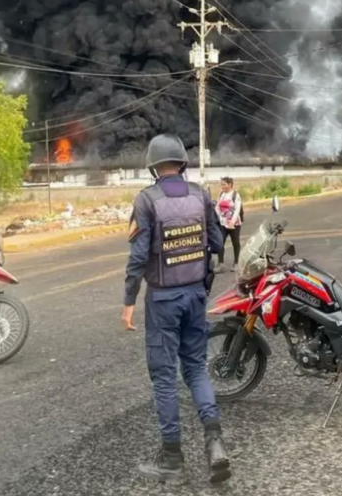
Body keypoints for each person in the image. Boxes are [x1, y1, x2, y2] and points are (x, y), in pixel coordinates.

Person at [122, 134, 230, 485]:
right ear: (182, 163)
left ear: (154, 166)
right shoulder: (201, 195)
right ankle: (215, 443)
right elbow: (216, 242)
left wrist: (128, 301)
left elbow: (138, 257)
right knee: (196, 369)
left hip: (164, 300)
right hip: (195, 297)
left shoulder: (147, 200)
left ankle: (173, 460)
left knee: (164, 377)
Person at [215, 177, 242, 273]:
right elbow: (217, 207)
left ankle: (236, 263)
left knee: (235, 243)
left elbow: (237, 209)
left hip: (234, 224)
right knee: (220, 242)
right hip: (223, 224)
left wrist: (232, 222)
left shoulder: (235, 195)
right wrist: (216, 218)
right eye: (221, 184)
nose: (222, 187)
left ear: (230, 184)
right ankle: (220, 264)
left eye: (224, 184)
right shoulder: (222, 194)